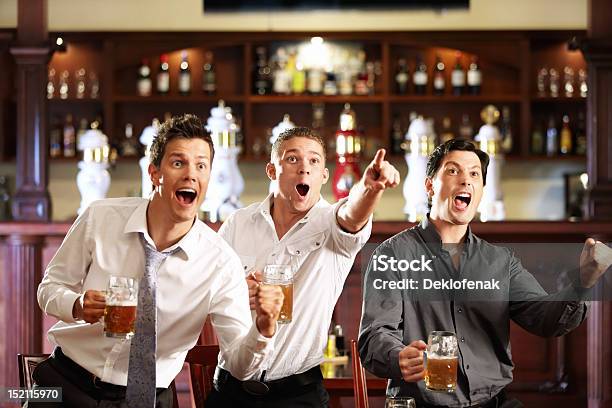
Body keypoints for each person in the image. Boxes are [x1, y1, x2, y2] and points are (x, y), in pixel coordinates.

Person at [35, 114, 283, 408]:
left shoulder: (220, 262)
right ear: (154, 173)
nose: (191, 174)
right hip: (65, 385)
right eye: (178, 162)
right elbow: (48, 289)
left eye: (201, 165)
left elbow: (240, 367)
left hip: (148, 400)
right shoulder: (99, 218)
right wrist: (76, 305)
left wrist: (264, 329)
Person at [358, 138, 611, 408]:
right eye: (453, 171)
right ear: (430, 186)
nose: (466, 180)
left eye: (474, 174)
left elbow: (546, 319)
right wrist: (398, 356)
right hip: (421, 403)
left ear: (481, 191)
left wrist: (584, 281)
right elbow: (374, 335)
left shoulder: (499, 261)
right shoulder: (393, 254)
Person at [207, 126, 401, 407]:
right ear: (272, 170)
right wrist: (234, 292)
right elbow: (208, 291)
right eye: (292, 159)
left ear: (324, 175)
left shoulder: (331, 226)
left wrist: (370, 187)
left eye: (314, 161)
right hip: (229, 392)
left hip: (298, 396)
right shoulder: (237, 223)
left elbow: (352, 215)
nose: (304, 169)